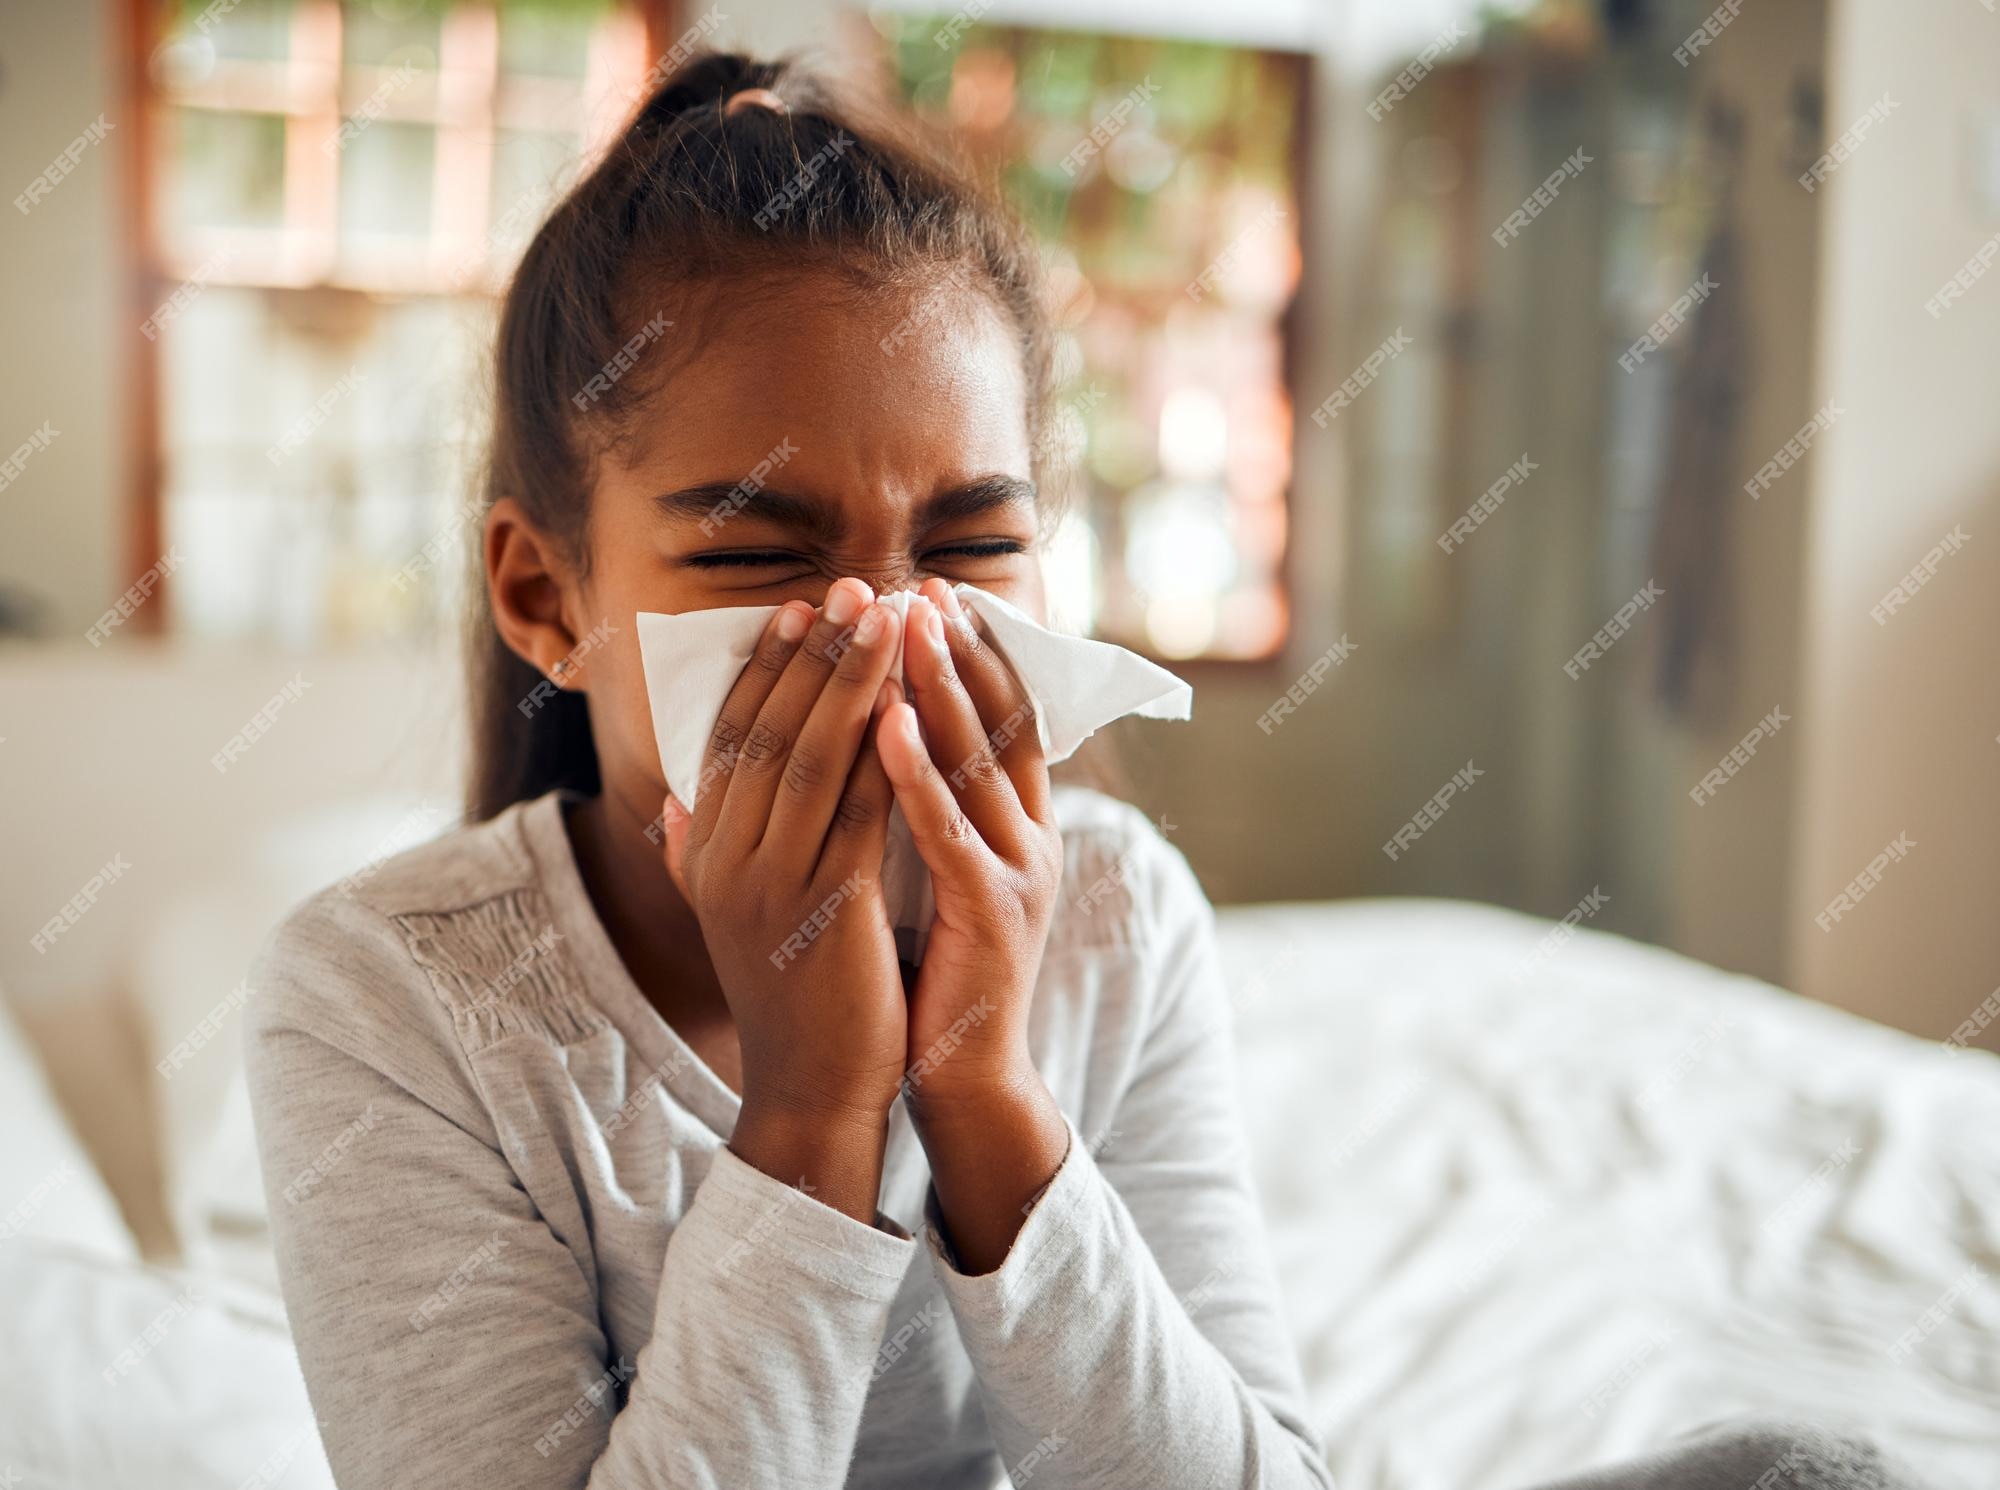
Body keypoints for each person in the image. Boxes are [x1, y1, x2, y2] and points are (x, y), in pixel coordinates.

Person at [245, 49, 1921, 1490]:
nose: (893, 634)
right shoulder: (385, 997)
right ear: (550, 596)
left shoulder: (1119, 913)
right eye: (764, 553)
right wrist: (816, 1110)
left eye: (970, 542)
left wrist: (985, 1091)